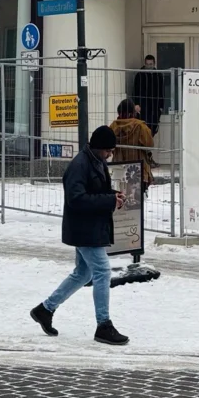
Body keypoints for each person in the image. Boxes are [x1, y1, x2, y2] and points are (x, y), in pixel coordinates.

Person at [30, 125, 130, 345]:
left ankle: (45, 309)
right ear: (97, 147)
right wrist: (109, 200)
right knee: (103, 271)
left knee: (83, 273)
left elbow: (94, 192)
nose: (110, 155)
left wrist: (113, 196)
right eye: (108, 150)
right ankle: (103, 325)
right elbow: (76, 199)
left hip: (89, 227)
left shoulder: (96, 161)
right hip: (85, 229)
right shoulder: (79, 165)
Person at [109, 98, 155, 189]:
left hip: (118, 166)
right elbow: (149, 144)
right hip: (137, 168)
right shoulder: (140, 126)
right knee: (137, 199)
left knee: (119, 196)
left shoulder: (113, 126)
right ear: (132, 113)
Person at [130, 55, 170, 129]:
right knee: (142, 127)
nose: (149, 66)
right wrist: (136, 104)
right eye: (147, 64)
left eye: (150, 64)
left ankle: (149, 140)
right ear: (144, 64)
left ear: (154, 64)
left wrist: (161, 106)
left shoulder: (158, 75)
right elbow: (135, 90)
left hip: (155, 106)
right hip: (142, 106)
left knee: (153, 127)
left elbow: (161, 91)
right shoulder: (140, 75)